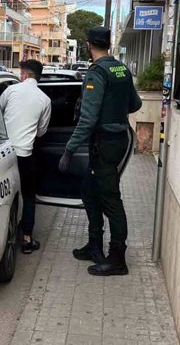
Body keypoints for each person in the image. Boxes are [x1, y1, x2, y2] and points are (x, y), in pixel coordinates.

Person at [58, 27, 142, 276]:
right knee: (88, 191)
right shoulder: (121, 69)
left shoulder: (97, 73)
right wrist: (115, 109)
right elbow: (135, 104)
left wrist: (69, 150)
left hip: (105, 142)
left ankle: (117, 259)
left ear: (88, 45)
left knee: (110, 199)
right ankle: (94, 245)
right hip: (117, 138)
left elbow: (88, 118)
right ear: (109, 43)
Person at [0, 59, 51, 254]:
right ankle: (27, 239)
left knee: (5, 197)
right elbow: (41, 132)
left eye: (21, 73)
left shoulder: (11, 91)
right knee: (28, 196)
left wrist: (1, 133)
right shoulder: (45, 99)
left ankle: (1, 239)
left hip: (3, 154)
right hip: (25, 155)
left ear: (25, 75)